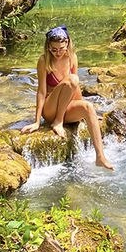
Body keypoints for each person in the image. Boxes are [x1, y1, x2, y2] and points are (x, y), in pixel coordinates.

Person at [21, 25, 114, 170]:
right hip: (50, 109)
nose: (57, 53)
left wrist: (88, 115)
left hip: (66, 107)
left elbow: (75, 88)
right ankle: (57, 122)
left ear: (67, 44)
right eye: (53, 49)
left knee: (89, 107)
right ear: (48, 47)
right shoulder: (44, 61)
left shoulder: (72, 58)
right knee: (72, 79)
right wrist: (37, 122)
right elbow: (41, 92)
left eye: (61, 48)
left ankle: (100, 157)